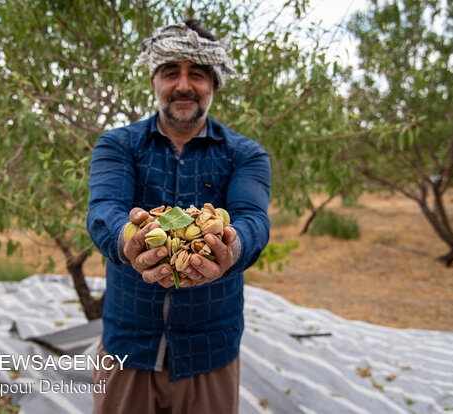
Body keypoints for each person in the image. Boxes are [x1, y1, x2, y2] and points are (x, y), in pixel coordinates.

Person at [87, 19, 271, 414]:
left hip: (210, 348)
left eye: (198, 75)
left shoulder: (246, 154)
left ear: (214, 85)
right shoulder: (117, 145)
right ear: (155, 81)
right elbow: (104, 212)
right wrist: (128, 239)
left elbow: (253, 219)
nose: (184, 85)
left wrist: (232, 246)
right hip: (129, 344)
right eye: (171, 73)